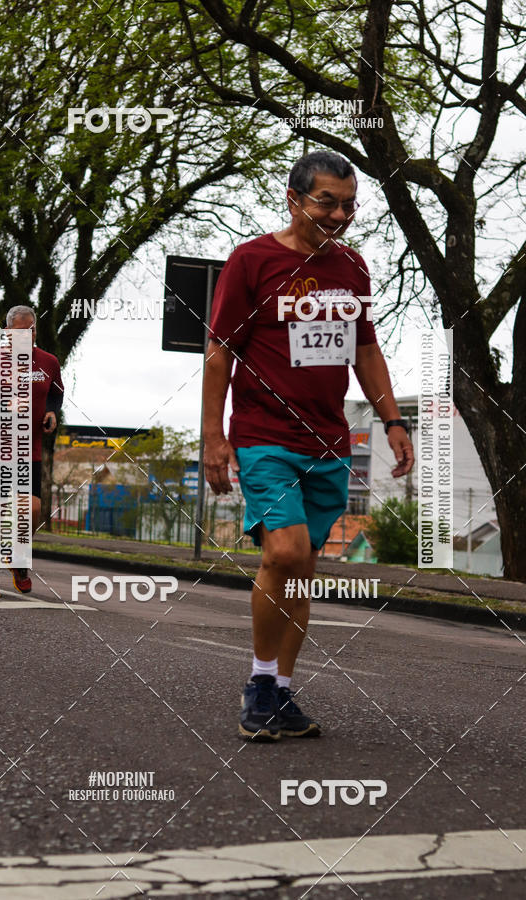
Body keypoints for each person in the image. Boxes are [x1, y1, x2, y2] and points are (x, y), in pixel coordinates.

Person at [202, 150, 414, 741]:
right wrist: (214, 437)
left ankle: (281, 693)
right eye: (327, 201)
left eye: (348, 205)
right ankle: (259, 683)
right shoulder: (252, 260)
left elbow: (364, 349)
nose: (339, 214)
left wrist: (394, 420)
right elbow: (220, 352)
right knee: (286, 554)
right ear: (294, 198)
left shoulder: (353, 268)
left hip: (330, 441)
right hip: (265, 435)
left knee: (302, 573)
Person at [0, 305, 64, 598]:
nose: (25, 336)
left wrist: (51, 413)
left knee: (32, 509)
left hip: (27, 450)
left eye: (30, 331)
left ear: (35, 330)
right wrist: (5, 408)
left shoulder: (48, 362)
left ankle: (17, 558)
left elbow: (56, 393)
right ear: (7, 332)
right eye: (18, 332)